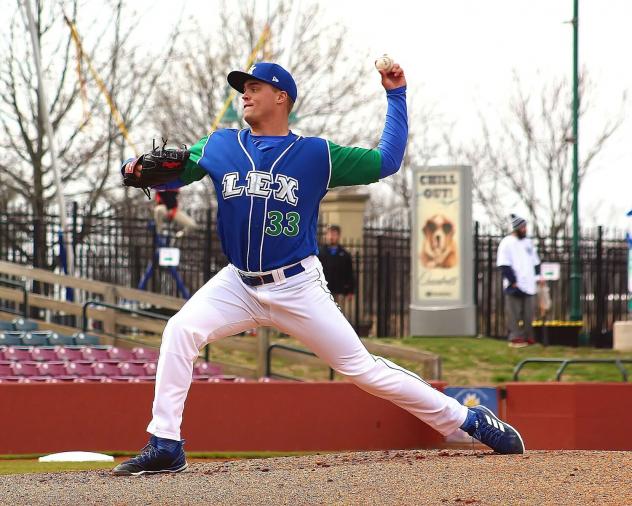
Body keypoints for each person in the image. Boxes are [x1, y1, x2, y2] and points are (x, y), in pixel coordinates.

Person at [113, 61, 524, 476]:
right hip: (237, 282)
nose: (245, 94)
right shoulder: (219, 145)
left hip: (297, 285)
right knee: (180, 330)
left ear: (282, 97)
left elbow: (387, 160)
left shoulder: (316, 155)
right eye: (244, 88)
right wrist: (135, 170)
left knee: (362, 370)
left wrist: (395, 96)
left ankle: (469, 420)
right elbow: (174, 173)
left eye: (255, 87)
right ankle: (166, 442)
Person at [496, 214, 543, 347]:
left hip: (529, 284)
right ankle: (516, 337)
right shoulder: (506, 242)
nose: (525, 229)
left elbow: (536, 262)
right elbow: (503, 263)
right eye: (522, 227)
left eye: (525, 227)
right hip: (515, 284)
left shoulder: (528, 243)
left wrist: (538, 277)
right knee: (514, 313)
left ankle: (528, 337)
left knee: (529, 314)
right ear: (516, 228)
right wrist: (512, 280)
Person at [318, 224, 355, 309]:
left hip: (339, 291)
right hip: (323, 291)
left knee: (338, 313)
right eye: (329, 234)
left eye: (334, 234)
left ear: (338, 236)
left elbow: (349, 273)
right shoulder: (320, 253)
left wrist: (350, 291)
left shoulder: (345, 254)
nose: (331, 237)